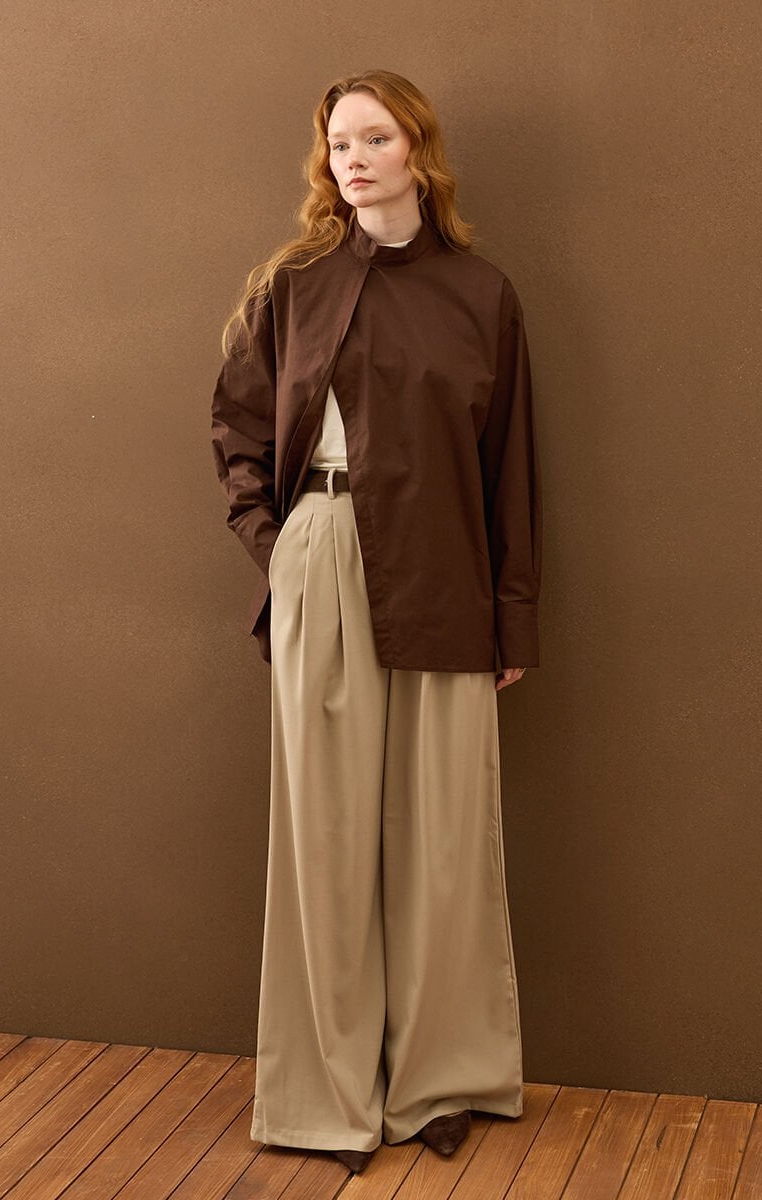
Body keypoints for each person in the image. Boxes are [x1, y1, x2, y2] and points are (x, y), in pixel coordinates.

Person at [210, 68, 542, 1175]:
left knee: (443, 839)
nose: (350, 160)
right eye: (337, 144)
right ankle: (324, 1092)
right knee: (325, 837)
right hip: (321, 554)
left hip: (446, 569)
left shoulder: (483, 295)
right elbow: (238, 430)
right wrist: (279, 547)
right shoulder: (294, 287)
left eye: (373, 139)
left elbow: (510, 469)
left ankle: (440, 1080)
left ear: (417, 152)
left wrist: (512, 622)